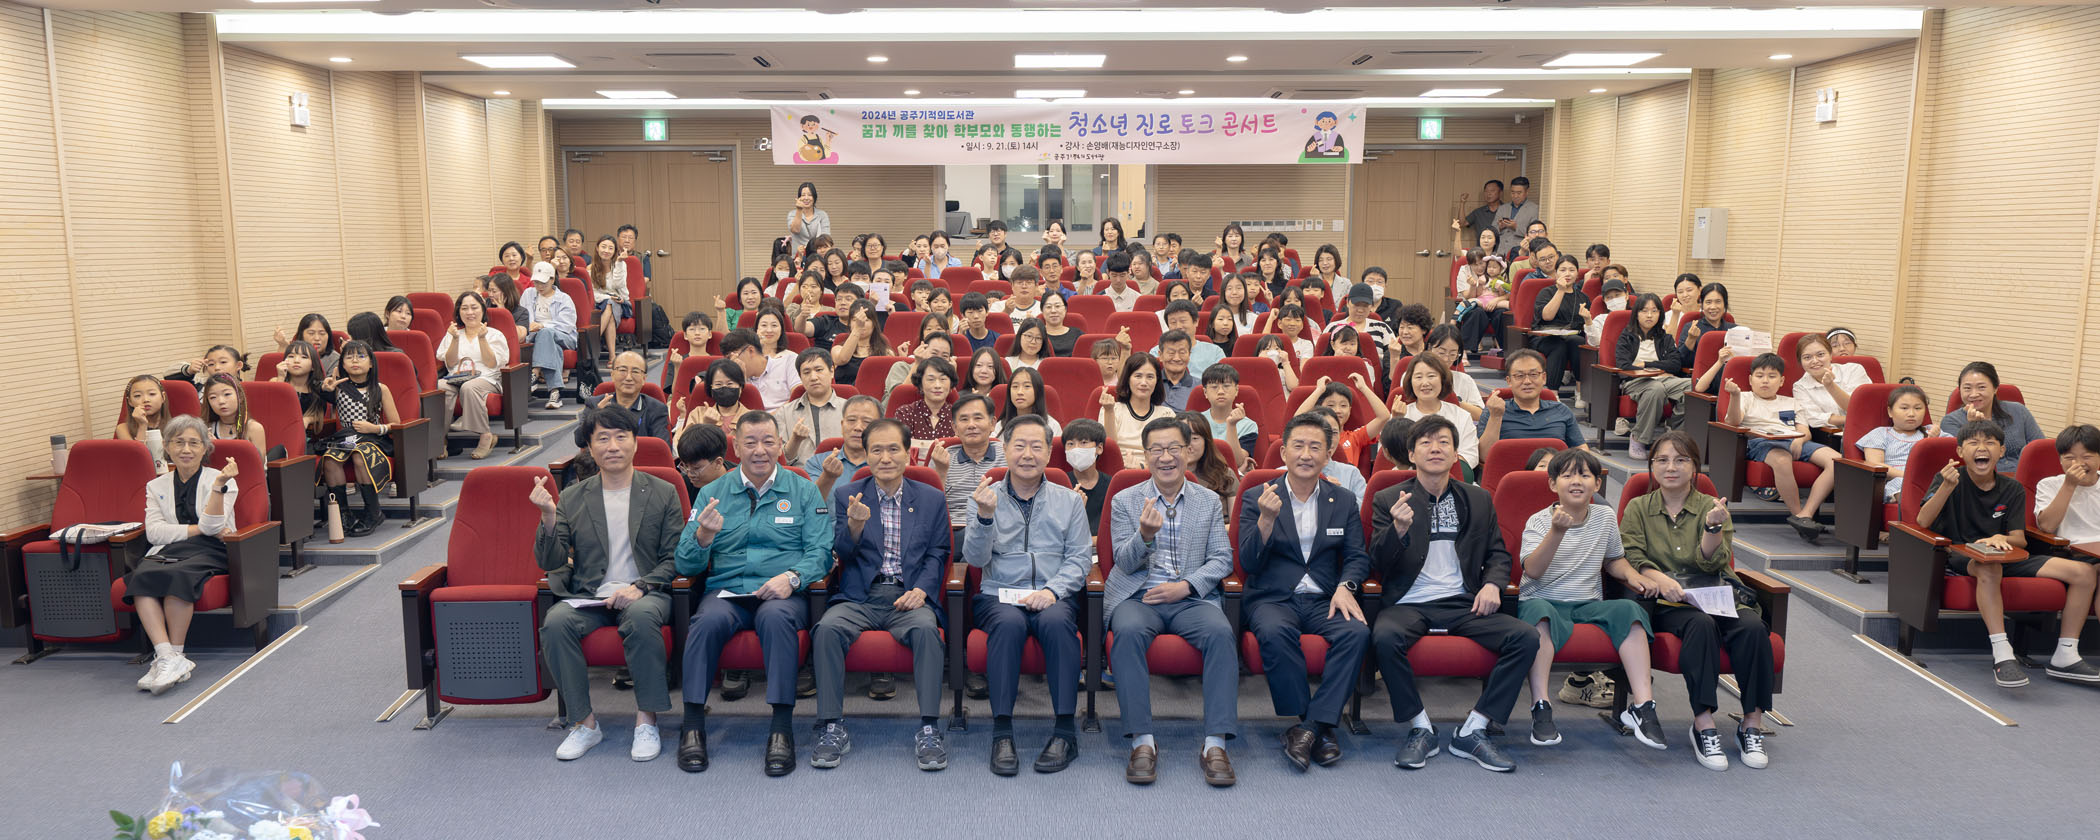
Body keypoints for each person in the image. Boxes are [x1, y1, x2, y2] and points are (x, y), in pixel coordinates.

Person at [1368, 415, 1535, 773]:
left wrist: (1492, 584)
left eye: (1443, 442)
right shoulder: (1388, 498)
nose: (1435, 449)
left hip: (1463, 601)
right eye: (1426, 443)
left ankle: (1475, 728)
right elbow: (1377, 562)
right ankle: (1420, 727)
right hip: (1410, 601)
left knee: (1525, 638)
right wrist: (1397, 530)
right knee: (1384, 636)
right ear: (1411, 454)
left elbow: (1497, 553)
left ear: (1456, 453)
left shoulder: (1478, 499)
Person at [675, 410, 831, 776]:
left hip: (782, 593)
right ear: (735, 447)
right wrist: (703, 537)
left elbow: (822, 551)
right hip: (727, 591)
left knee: (777, 620)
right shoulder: (712, 493)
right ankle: (692, 724)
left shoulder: (803, 490)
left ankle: (781, 728)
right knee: (705, 622)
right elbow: (685, 563)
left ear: (780, 445)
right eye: (750, 443)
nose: (760, 450)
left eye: (768, 442)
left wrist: (793, 578)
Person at [533, 409, 683, 763]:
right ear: (589, 447)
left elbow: (674, 557)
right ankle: (584, 724)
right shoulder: (573, 497)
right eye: (602, 438)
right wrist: (548, 516)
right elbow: (550, 561)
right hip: (591, 596)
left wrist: (641, 587)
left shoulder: (663, 491)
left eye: (620, 437)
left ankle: (646, 720)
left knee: (642, 618)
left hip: (646, 593)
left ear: (635, 443)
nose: (612, 446)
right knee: (555, 622)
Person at [1618, 433, 1771, 770]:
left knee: (1753, 627)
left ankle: (1751, 724)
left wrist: (1712, 528)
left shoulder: (1711, 507)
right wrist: (1662, 581)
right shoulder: (1639, 507)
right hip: (1667, 602)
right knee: (1700, 626)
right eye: (1662, 460)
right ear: (1652, 466)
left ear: (1694, 466)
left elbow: (1715, 563)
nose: (1671, 467)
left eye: (1680, 460)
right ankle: (1704, 724)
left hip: (1714, 594)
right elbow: (1632, 556)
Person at [812, 418, 952, 771]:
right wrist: (854, 526)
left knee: (927, 631)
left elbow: (939, 552)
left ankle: (929, 728)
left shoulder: (932, 498)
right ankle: (832, 726)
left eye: (893, 449)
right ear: (866, 455)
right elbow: (842, 553)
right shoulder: (848, 494)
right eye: (876, 450)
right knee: (827, 629)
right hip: (861, 595)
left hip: (908, 594)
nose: (885, 458)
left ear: (908, 454)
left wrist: (922, 590)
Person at [1107, 416, 1240, 787]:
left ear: (1188, 450)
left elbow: (1222, 559)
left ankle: (1215, 744)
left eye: (1173, 448)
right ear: (1145, 455)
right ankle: (1142, 740)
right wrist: (1144, 536)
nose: (1165, 457)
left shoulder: (1208, 500)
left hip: (1190, 599)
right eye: (1156, 450)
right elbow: (1123, 562)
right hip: (1139, 596)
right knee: (1127, 632)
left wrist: (1186, 586)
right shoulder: (1125, 500)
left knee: (1220, 634)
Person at [1920, 419, 2100, 688]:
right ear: (1960, 451)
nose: (1982, 448)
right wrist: (1946, 487)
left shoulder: (2012, 488)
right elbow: (1923, 521)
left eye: (1990, 443)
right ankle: (2003, 652)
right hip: (1962, 553)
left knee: (2084, 573)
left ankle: (2066, 654)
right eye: (1973, 443)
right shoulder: (1948, 478)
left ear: (2002, 451)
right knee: (1989, 566)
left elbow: (2020, 540)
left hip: (2006, 554)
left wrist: (2001, 538)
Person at [1240, 413, 1372, 770]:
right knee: (1274, 632)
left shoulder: (1342, 500)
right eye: (1298, 446)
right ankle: (1316, 725)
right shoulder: (1256, 497)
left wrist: (1346, 587)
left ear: (1328, 455)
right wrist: (1266, 521)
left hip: (1325, 597)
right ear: (1283, 452)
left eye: (1315, 447)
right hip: (1272, 596)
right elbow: (1249, 562)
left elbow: (1357, 556)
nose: (1306, 454)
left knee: (1356, 633)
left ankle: (1309, 729)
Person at [1515, 449, 1667, 751]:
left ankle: (1643, 706)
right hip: (1543, 599)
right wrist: (1557, 531)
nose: (1576, 481)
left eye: (1584, 475)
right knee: (1540, 613)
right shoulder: (1539, 521)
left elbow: (1614, 560)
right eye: (1567, 475)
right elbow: (1533, 570)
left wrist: (1633, 577)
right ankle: (1541, 706)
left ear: (1597, 484)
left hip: (1587, 603)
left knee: (1630, 611)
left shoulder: (1604, 517)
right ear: (1553, 484)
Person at [122, 416, 241, 694]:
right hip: (170, 550)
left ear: (205, 448)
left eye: (193, 443)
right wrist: (198, 529)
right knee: (142, 576)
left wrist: (218, 485)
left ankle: (175, 654)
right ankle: (167, 656)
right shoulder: (156, 486)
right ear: (166, 446)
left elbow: (213, 527)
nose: (186, 449)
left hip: (213, 550)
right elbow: (154, 533)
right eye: (178, 443)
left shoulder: (222, 479)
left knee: (178, 575)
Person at [1725, 352, 1838, 542]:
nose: (1765, 381)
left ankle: (1806, 514)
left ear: (1782, 381)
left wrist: (1799, 441)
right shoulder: (1744, 397)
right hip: (1760, 441)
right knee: (1782, 459)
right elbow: (1733, 422)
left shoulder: (1791, 402)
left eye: (1772, 376)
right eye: (1759, 376)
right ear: (1751, 380)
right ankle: (1798, 514)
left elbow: (1804, 430)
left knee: (1837, 461)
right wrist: (1734, 396)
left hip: (1793, 440)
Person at [318, 341, 400, 538]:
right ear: (342, 365)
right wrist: (325, 389)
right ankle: (344, 514)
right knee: (329, 459)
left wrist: (375, 428)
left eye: (361, 356)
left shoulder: (380, 389)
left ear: (371, 363)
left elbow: (396, 424)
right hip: (346, 439)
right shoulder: (337, 388)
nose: (355, 360)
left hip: (373, 439)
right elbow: (316, 396)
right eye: (349, 357)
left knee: (359, 455)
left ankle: (373, 512)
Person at [1614, 293, 1695, 459]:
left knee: (1693, 386)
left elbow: (1675, 364)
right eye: (1644, 311)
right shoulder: (1627, 337)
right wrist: (1652, 370)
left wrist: (1646, 365)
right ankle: (1639, 438)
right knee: (1655, 388)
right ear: (1636, 314)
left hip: (1664, 379)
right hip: (1636, 380)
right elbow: (1624, 365)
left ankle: (1675, 432)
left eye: (1654, 311)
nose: (1649, 315)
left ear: (1660, 314)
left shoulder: (1664, 337)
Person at [437, 291, 512, 459]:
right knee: (440, 387)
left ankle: (486, 435)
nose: (470, 312)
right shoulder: (454, 333)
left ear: (482, 310)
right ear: (458, 312)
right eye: (464, 308)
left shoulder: (494, 334)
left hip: (487, 378)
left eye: (474, 307)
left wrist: (482, 339)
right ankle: (440, 439)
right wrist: (454, 339)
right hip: (456, 377)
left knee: (469, 387)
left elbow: (492, 364)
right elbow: (450, 363)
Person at [1940, 361, 2046, 473]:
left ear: (1995, 388)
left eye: (1981, 387)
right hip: (1985, 478)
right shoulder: (1950, 421)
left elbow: (2040, 449)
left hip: (2025, 475)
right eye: (1967, 388)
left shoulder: (2018, 410)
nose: (1974, 394)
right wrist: (1973, 427)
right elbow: (1971, 461)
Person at [1479, 349, 1588, 455]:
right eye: (1519, 376)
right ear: (1509, 381)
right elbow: (1485, 456)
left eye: (1533, 374)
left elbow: (1581, 449)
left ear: (1544, 378)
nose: (1527, 381)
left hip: (1553, 467)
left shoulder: (1561, 410)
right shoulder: (1493, 411)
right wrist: (1496, 417)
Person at [1394, 355, 1481, 470]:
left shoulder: (1461, 415)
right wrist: (1396, 422)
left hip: (1452, 475)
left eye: (1431, 376)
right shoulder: (1400, 414)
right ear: (1410, 382)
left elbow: (1470, 455)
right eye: (1418, 377)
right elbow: (1389, 455)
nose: (1425, 383)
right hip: (1409, 477)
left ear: (1442, 380)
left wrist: (1439, 468)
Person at [933, 394, 1005, 532]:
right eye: (964, 419)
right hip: (953, 529)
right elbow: (931, 507)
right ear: (955, 428)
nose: (971, 425)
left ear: (992, 424)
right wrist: (941, 471)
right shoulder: (942, 456)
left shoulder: (1008, 454)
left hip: (996, 528)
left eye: (978, 418)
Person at [1858, 385, 1940, 500]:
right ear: (1890, 411)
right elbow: (1876, 465)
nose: (1911, 414)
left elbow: (1957, 452)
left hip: (1929, 479)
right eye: (1904, 408)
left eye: (1918, 408)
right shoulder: (1880, 433)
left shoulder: (1931, 432)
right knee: (1903, 484)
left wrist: (1936, 442)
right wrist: (1909, 476)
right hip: (1897, 480)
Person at [519, 262, 580, 410]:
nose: (539, 286)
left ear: (552, 280)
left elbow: (567, 325)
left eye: (543, 283)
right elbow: (524, 317)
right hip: (535, 336)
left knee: (546, 333)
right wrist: (534, 327)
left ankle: (535, 372)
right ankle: (555, 393)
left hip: (564, 336)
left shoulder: (564, 298)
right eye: (536, 282)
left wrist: (542, 326)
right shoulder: (528, 294)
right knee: (552, 346)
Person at [1100, 353, 1175, 470]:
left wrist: (1142, 468)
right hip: (1118, 471)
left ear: (1157, 381)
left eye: (1150, 377)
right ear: (1128, 379)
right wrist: (1109, 411)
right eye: (1138, 376)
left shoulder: (1166, 414)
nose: (1144, 383)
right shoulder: (1113, 409)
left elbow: (1172, 455)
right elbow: (1108, 451)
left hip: (1155, 472)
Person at [774, 348, 846, 467]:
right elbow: (779, 461)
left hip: (841, 473)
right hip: (799, 476)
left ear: (832, 371)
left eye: (819, 370)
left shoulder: (849, 410)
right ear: (800, 377)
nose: (813, 377)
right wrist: (795, 441)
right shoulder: (784, 413)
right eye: (806, 372)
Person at [1529, 254, 1588, 393]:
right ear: (1556, 273)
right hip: (1544, 337)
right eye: (1563, 270)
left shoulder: (1583, 297)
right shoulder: (1546, 292)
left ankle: (1580, 391)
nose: (1567, 273)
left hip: (1571, 336)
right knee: (1558, 346)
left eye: (1572, 270)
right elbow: (1547, 316)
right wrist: (1561, 290)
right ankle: (1553, 392)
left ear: (1577, 274)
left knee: (1578, 342)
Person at [1792, 333, 1872, 434]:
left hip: (1866, 430)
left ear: (1830, 355)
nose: (1815, 361)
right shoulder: (1800, 387)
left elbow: (1857, 407)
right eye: (1807, 357)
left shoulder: (1854, 370)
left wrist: (1831, 386)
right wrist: (1852, 419)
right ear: (1800, 361)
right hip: (1831, 437)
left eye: (1820, 355)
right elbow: (1813, 418)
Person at [809, 395, 881, 499]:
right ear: (842, 425)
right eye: (851, 420)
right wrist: (827, 477)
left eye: (867, 422)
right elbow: (808, 503)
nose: (858, 427)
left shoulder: (887, 463)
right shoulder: (818, 462)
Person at [593, 351, 670, 447]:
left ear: (644, 379)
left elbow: (662, 449)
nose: (628, 377)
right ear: (612, 375)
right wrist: (596, 418)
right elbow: (580, 440)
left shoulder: (657, 409)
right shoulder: (595, 404)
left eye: (635, 372)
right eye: (622, 370)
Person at [1199, 365, 1257, 471]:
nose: (1221, 391)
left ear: (1236, 390)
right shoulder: (1196, 422)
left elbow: (1237, 462)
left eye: (1226, 386)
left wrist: (1231, 424)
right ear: (1205, 392)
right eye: (1214, 387)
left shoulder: (1249, 425)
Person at [199, 374, 267, 456]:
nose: (221, 401)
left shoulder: (253, 428)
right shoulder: (206, 427)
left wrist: (218, 446)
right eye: (213, 397)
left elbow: (258, 463)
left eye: (227, 394)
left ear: (240, 396)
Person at [115, 375, 172, 468]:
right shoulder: (123, 428)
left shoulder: (175, 426)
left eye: (152, 394)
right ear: (130, 401)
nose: (145, 400)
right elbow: (136, 460)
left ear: (163, 397)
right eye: (137, 396)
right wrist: (142, 426)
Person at [884, 328, 954, 401]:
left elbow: (950, 402)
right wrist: (917, 364)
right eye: (934, 353)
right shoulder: (901, 367)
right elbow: (898, 398)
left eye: (944, 356)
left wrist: (951, 377)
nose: (939, 359)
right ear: (923, 349)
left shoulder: (947, 375)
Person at [995, 367, 1060, 438]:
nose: (1019, 392)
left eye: (1027, 386)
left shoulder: (1052, 426)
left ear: (1038, 391)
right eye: (1015, 386)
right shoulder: (1000, 427)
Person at [673, 421, 730, 502]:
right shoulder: (683, 485)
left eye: (696, 468)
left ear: (718, 463)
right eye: (685, 466)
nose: (690, 474)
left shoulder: (741, 480)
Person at [272, 313, 341, 374]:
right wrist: (283, 345)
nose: (317, 338)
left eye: (322, 333)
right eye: (311, 333)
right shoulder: (294, 355)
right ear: (301, 335)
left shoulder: (335, 360)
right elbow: (282, 375)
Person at [1491, 176, 1540, 255]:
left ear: (1527, 192)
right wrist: (1499, 227)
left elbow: (1535, 234)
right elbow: (1492, 229)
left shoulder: (1534, 209)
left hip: (1520, 251)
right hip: (1500, 250)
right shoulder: (1503, 208)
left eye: (1519, 193)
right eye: (1513, 192)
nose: (1515, 196)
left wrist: (1516, 227)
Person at [787, 181, 829, 258]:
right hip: (798, 257)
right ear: (799, 198)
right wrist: (799, 210)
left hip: (818, 257)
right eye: (803, 195)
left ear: (814, 197)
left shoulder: (822, 215)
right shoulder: (792, 214)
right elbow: (795, 230)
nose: (806, 198)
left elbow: (826, 238)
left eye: (810, 195)